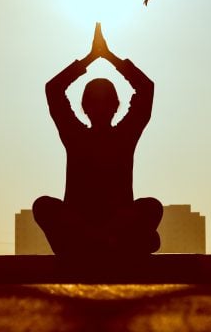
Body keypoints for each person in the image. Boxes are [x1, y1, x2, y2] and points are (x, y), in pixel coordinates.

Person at [33, 23, 163, 256]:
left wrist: (98, 57)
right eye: (97, 102)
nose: (101, 108)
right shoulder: (83, 135)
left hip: (105, 228)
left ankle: (98, 242)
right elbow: (53, 89)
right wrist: (101, 57)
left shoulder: (112, 135)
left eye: (104, 103)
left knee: (151, 207)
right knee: (43, 206)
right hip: (87, 228)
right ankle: (106, 242)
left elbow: (146, 89)